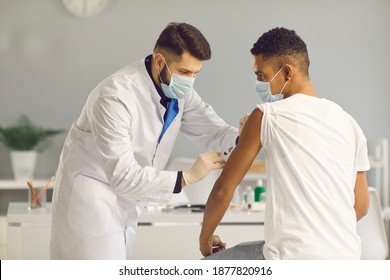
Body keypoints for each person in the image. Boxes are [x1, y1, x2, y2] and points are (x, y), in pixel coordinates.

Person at [50, 22, 243, 260]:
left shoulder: (179, 92)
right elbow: (122, 175)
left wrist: (243, 135)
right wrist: (188, 177)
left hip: (126, 204)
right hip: (92, 202)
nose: (190, 81)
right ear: (160, 61)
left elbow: (213, 131)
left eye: (196, 74)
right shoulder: (115, 95)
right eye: (184, 72)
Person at [199, 27, 370, 260]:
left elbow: (223, 190)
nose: (258, 83)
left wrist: (205, 239)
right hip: (347, 257)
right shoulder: (350, 123)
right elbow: (360, 206)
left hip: (290, 259)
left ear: (287, 72)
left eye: (262, 76)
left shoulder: (266, 115)